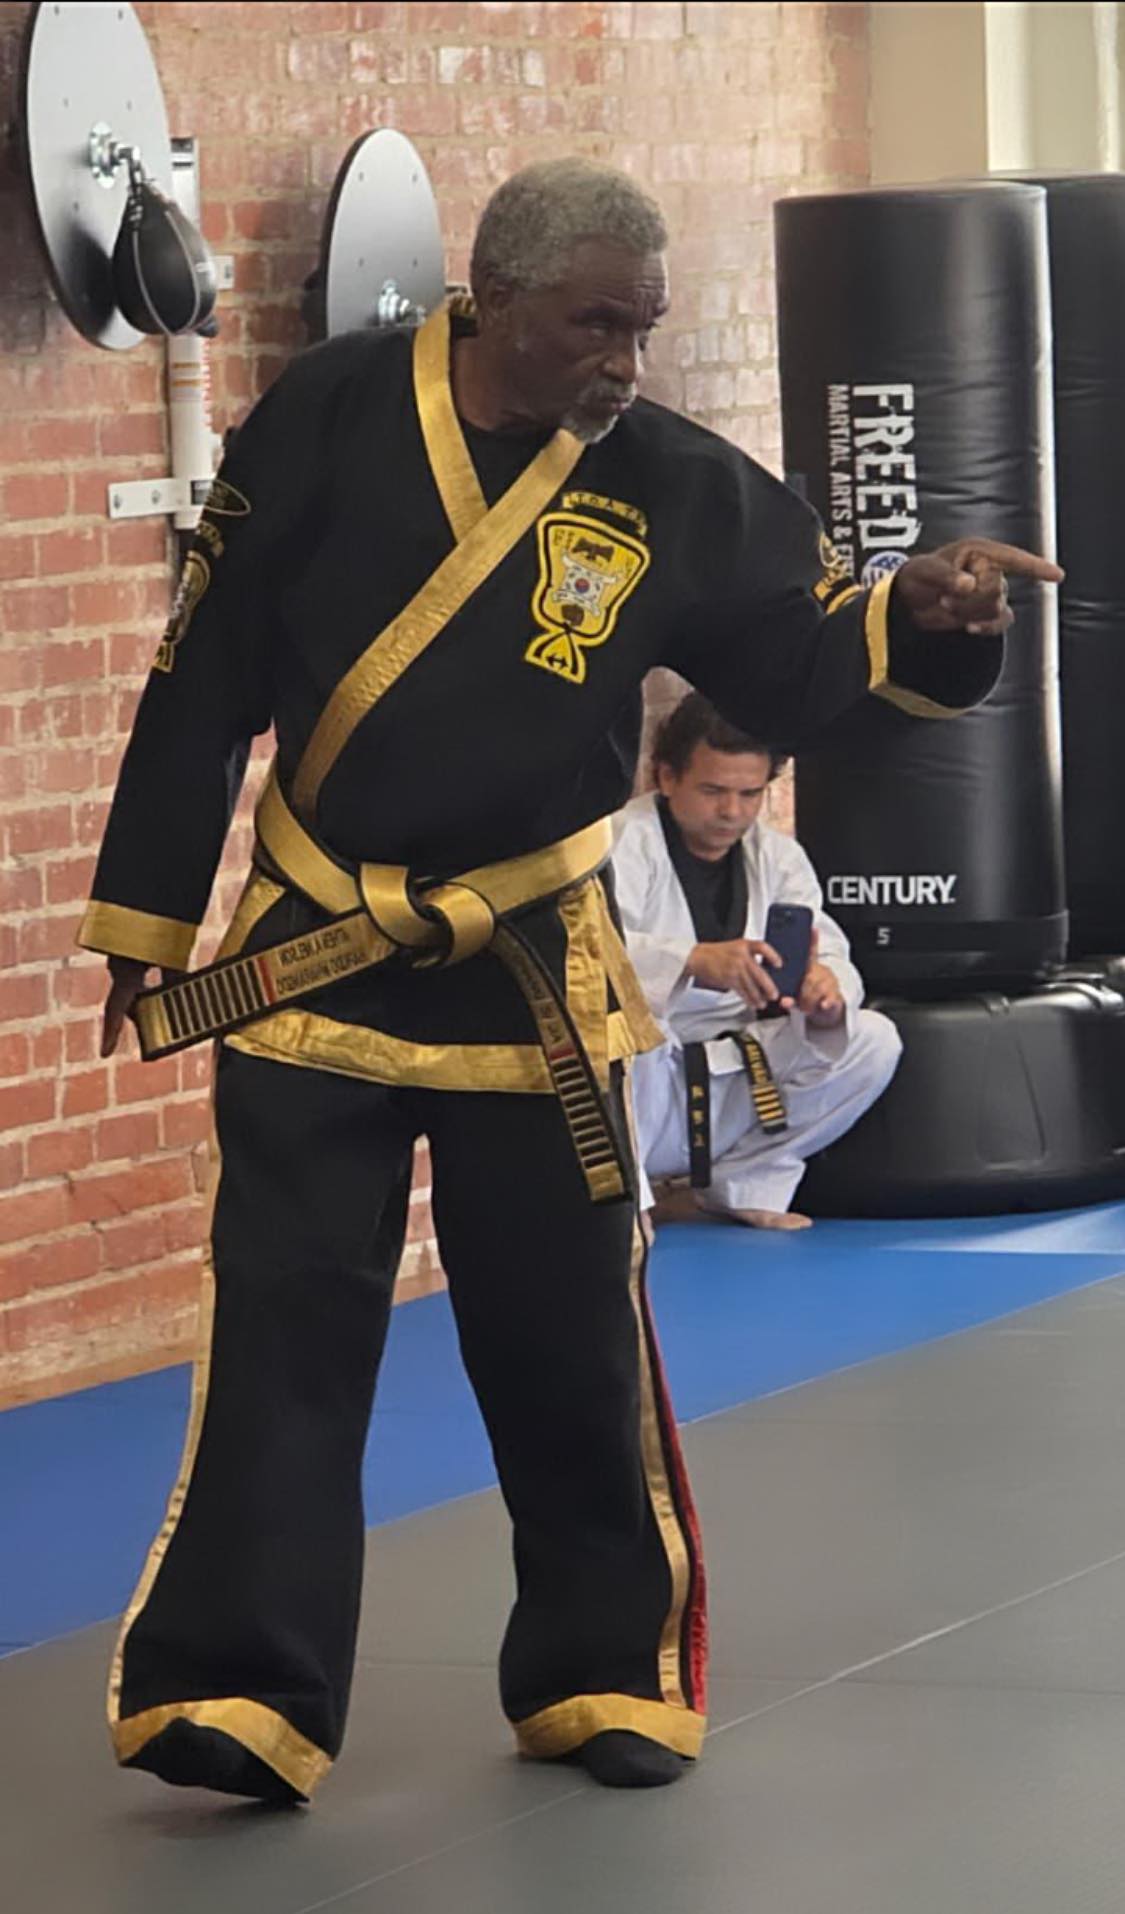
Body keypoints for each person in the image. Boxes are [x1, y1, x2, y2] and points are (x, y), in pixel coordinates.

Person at [76, 156, 1060, 1804]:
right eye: (595, 324)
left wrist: (931, 617)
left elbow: (801, 647)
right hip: (320, 942)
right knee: (282, 1322)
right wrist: (147, 915)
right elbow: (205, 669)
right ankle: (240, 1679)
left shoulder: (664, 477)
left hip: (532, 962)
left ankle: (606, 1664)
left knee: (567, 1331)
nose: (623, 360)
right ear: (495, 298)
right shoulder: (326, 417)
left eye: (643, 328)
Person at [614, 694, 901, 1230]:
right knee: (628, 1027)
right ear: (667, 777)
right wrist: (691, 960)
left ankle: (741, 1185)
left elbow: (828, 947)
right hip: (645, 1082)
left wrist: (825, 991)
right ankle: (629, 1206)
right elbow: (590, 958)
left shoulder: (778, 857)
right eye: (713, 791)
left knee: (873, 1039)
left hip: (737, 1070)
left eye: (750, 794)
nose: (732, 812)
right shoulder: (625, 841)